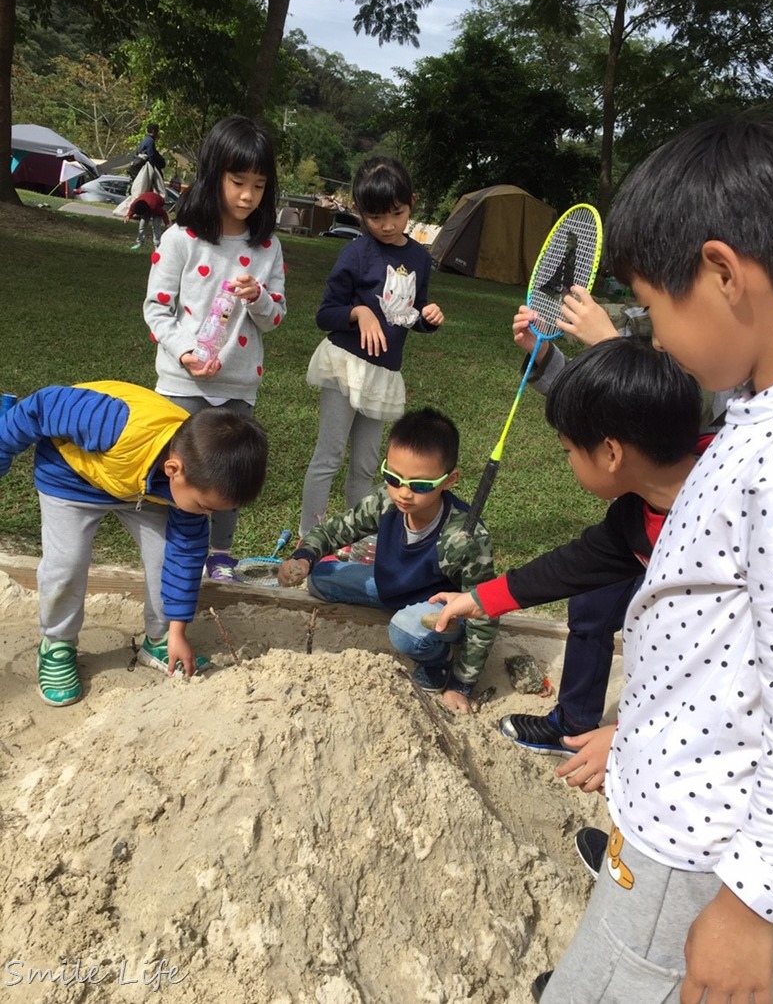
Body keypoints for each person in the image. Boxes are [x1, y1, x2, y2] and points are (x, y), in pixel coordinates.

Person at [531, 114, 773, 1003]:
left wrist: (749, 904)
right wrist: (638, 736)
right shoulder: (754, 408)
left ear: (724, 274)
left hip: (698, 850)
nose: (657, 338)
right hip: (670, 801)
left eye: (655, 307)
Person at [432, 337, 704, 742]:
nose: (569, 461)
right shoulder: (637, 510)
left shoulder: (725, 517)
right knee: (594, 601)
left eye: (569, 450)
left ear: (611, 452)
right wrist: (479, 599)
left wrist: (622, 739)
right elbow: (577, 564)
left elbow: (713, 668)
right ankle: (575, 724)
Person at [0, 381, 268, 706]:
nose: (207, 514)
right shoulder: (113, 422)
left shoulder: (189, 488)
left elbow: (183, 560)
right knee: (66, 564)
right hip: (70, 476)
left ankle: (159, 638)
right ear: (174, 469)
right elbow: (43, 406)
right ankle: (56, 644)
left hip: (144, 489)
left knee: (164, 556)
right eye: (205, 507)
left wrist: (178, 632)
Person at [143, 114, 286, 583]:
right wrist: (186, 352)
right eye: (238, 181)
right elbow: (157, 310)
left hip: (239, 385)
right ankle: (169, 552)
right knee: (176, 474)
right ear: (212, 176)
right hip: (181, 384)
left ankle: (220, 555)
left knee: (231, 475)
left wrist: (259, 297)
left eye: (259, 185)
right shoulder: (180, 239)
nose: (248, 195)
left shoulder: (267, 248)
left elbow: (277, 318)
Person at [279, 407, 497, 714]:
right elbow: (336, 530)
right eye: (393, 478)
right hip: (391, 589)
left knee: (405, 630)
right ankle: (402, 614)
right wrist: (304, 557)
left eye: (420, 485)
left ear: (449, 481)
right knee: (320, 578)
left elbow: (485, 610)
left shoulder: (463, 537)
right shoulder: (385, 500)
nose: (403, 493)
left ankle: (439, 663)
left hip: (439, 610)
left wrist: (462, 683)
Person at [299, 157, 443, 539]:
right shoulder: (356, 253)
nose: (387, 225)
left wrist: (428, 317)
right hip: (345, 367)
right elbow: (325, 313)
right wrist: (359, 312)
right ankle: (310, 538)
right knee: (328, 458)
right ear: (361, 213)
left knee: (366, 465)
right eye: (375, 217)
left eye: (396, 213)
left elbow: (410, 315)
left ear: (411, 202)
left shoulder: (419, 258)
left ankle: (356, 538)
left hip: (383, 374)